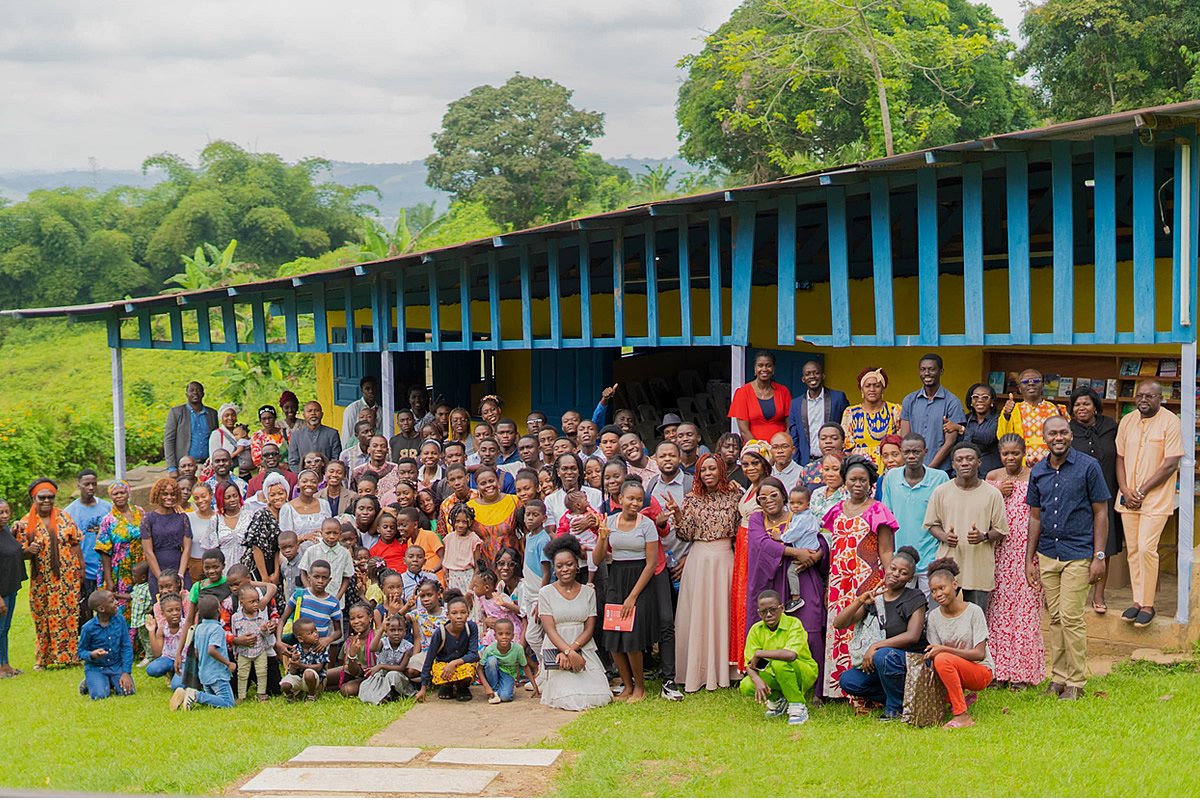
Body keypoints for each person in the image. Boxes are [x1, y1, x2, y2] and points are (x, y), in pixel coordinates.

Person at [1026, 416, 1110, 700]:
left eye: (1063, 432)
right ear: (1044, 437)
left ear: (1071, 436)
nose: (1058, 437)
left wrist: (1099, 556)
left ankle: (1076, 682)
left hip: (1079, 552)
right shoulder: (1038, 471)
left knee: (1072, 617)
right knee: (1057, 618)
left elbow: (1101, 512)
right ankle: (1058, 678)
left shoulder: (1089, 467)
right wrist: (1029, 559)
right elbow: (1034, 519)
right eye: (1052, 433)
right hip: (1048, 553)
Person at [821, 456, 896, 699]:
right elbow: (832, 548)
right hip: (838, 581)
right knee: (839, 626)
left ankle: (861, 687)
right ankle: (837, 688)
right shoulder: (835, 511)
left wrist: (888, 580)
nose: (857, 484)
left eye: (863, 480)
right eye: (853, 479)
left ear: (871, 483)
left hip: (867, 580)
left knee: (861, 629)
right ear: (845, 482)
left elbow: (885, 550)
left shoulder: (878, 510)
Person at [746, 478, 828, 693]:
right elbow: (762, 544)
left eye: (773, 494)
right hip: (771, 582)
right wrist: (796, 552)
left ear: (784, 495)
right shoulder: (757, 519)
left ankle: (817, 689)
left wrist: (815, 555)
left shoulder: (799, 515)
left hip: (801, 579)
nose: (768, 500)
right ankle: (775, 684)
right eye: (762, 497)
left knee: (810, 629)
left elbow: (820, 539)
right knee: (774, 631)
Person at [669, 453, 740, 692]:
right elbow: (685, 534)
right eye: (703, 470)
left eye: (712, 469)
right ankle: (697, 672)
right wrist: (678, 516)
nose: (708, 474)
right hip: (699, 559)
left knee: (722, 612)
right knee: (698, 613)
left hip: (724, 558)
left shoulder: (735, 495)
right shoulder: (692, 498)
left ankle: (726, 671)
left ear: (721, 470)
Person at [1114, 380, 1182, 627]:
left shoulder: (1171, 422)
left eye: (1149, 396)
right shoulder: (1127, 421)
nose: (1143, 400)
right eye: (1140, 396)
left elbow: (1170, 463)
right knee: (1132, 550)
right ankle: (1136, 602)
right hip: (1128, 498)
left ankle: (1148, 604)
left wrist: (1140, 491)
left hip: (1154, 499)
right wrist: (1125, 489)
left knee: (1146, 548)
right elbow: (1119, 458)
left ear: (1160, 398)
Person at [833, 546, 927, 719]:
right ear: (886, 567)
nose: (896, 574)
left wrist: (875, 647)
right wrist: (860, 600)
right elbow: (839, 624)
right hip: (881, 663)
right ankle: (903, 698)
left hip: (908, 660)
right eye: (893, 568)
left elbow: (912, 636)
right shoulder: (874, 598)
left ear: (909, 578)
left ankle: (894, 710)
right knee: (848, 680)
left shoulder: (915, 597)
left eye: (903, 572)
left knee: (884, 655)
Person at [985, 434, 1046, 687]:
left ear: (1024, 452)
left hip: (1025, 550)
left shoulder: (1035, 475)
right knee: (998, 609)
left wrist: (1032, 556)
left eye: (1015, 453)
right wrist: (997, 491)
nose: (1010, 458)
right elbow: (983, 508)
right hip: (999, 551)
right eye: (1005, 454)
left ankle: (1022, 674)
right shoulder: (991, 478)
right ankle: (998, 672)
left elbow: (1038, 515)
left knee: (1026, 610)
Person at [924, 443, 1008, 609]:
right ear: (953, 464)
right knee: (940, 616)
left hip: (979, 568)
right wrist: (944, 536)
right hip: (946, 566)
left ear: (979, 462)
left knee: (976, 621)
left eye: (970, 459)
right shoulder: (941, 491)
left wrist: (983, 536)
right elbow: (932, 524)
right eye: (959, 460)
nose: (964, 463)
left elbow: (1001, 530)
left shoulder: (992, 493)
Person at [598, 479, 661, 703]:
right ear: (620, 499)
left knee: (632, 638)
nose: (634, 503)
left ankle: (640, 688)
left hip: (640, 581)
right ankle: (627, 685)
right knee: (613, 636)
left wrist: (632, 597)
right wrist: (602, 537)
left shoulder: (647, 525)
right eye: (630, 498)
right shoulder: (609, 522)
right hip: (616, 578)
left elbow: (651, 564)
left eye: (638, 499)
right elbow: (598, 560)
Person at [536, 535, 612, 711]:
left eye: (569, 564)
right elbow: (549, 629)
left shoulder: (588, 592)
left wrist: (575, 650)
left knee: (599, 696)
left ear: (577, 565)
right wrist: (568, 652)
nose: (565, 569)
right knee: (567, 698)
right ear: (554, 569)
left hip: (584, 647)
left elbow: (589, 627)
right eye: (559, 566)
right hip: (557, 650)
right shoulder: (545, 592)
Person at [17, 478, 83, 669]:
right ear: (33, 498)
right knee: (42, 617)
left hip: (66, 578)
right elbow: (18, 553)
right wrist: (29, 551)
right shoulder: (24, 523)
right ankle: (43, 660)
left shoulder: (64, 517)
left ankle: (69, 657)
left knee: (68, 616)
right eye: (42, 497)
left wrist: (81, 569)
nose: (47, 501)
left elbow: (75, 543)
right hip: (42, 580)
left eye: (51, 497)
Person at [1066, 386, 1120, 614]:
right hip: (1077, 496)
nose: (1081, 408)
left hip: (1106, 491)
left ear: (1095, 406)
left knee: (1103, 545)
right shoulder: (1067, 430)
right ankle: (1071, 594)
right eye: (1077, 404)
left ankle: (1099, 595)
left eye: (1086, 403)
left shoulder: (1110, 427)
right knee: (1076, 542)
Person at [925, 557, 994, 729]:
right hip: (952, 669)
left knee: (943, 659)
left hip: (980, 670)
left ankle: (962, 716)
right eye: (933, 591)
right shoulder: (933, 617)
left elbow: (979, 654)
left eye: (942, 588)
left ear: (954, 584)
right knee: (940, 660)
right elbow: (935, 653)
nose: (938, 594)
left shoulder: (973, 611)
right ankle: (959, 698)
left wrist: (944, 650)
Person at [879, 433, 948, 600]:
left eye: (916, 452)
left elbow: (946, 518)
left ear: (925, 452)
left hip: (931, 557)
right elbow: (887, 518)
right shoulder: (891, 477)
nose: (911, 456)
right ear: (901, 452)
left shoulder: (940, 478)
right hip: (901, 559)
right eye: (907, 452)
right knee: (902, 609)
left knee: (931, 611)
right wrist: (889, 559)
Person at [739, 589, 818, 724]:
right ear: (759, 613)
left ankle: (797, 705)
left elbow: (791, 655)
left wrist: (760, 653)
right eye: (764, 612)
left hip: (801, 671)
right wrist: (756, 679)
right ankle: (778, 700)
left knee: (779, 663)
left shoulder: (794, 624)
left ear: (781, 608)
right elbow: (750, 664)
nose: (768, 615)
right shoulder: (756, 630)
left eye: (773, 610)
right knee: (746, 685)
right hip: (774, 672)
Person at [731, 439, 771, 673]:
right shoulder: (749, 488)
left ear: (765, 464)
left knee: (753, 598)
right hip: (743, 547)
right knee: (742, 599)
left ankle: (759, 661)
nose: (749, 468)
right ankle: (744, 659)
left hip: (756, 546)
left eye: (755, 462)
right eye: (745, 464)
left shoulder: (766, 488)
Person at [899, 354, 966, 470]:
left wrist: (929, 470)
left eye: (931, 369)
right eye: (922, 369)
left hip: (941, 471)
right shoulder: (909, 400)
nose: (926, 373)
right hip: (912, 469)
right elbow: (905, 437)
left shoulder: (952, 402)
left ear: (941, 371)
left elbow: (949, 443)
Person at [65, 470, 111, 629]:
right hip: (82, 570)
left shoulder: (106, 508)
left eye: (94, 484)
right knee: (84, 613)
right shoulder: (70, 512)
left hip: (104, 569)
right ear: (79, 485)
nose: (91, 487)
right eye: (86, 484)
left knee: (106, 610)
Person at [415, 589, 480, 702]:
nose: (459, 616)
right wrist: (423, 688)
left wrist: (454, 663)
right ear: (448, 615)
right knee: (440, 671)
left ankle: (462, 687)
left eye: (463, 612)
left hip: (461, 663)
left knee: (469, 668)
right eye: (454, 613)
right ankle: (447, 686)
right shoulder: (440, 633)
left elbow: (474, 654)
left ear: (468, 613)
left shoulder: (471, 627)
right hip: (443, 664)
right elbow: (429, 659)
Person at [95, 480, 145, 623]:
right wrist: (109, 580)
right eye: (115, 494)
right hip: (119, 570)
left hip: (140, 567)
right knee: (122, 607)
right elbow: (104, 551)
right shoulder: (108, 520)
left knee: (140, 604)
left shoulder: (140, 512)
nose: (119, 496)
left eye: (122, 492)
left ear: (128, 493)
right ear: (111, 497)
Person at [787, 360, 850, 467]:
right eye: (808, 374)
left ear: (823, 376)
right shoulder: (796, 404)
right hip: (807, 462)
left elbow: (847, 428)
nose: (812, 376)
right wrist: (796, 463)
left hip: (835, 461)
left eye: (816, 373)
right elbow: (794, 436)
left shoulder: (838, 398)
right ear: (803, 379)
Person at [997, 369, 1066, 465]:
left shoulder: (1055, 409)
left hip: (1051, 465)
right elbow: (1002, 438)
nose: (1031, 384)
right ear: (1020, 388)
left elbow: (1066, 438)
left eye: (1036, 381)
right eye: (1025, 381)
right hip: (1022, 466)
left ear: (1042, 385)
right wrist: (1007, 416)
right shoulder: (1012, 409)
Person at [841, 367, 902, 472]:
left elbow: (901, 442)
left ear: (883, 388)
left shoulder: (895, 410)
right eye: (867, 386)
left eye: (877, 386)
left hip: (889, 466)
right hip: (859, 467)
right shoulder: (851, 412)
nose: (872, 390)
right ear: (862, 389)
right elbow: (846, 448)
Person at [78, 589, 134, 700]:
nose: (117, 602)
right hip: (97, 668)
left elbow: (126, 646)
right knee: (100, 695)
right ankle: (90, 682)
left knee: (128, 692)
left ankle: (111, 681)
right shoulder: (88, 628)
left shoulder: (120, 620)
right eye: (112, 601)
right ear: (101, 609)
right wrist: (92, 654)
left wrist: (126, 672)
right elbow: (80, 652)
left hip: (116, 666)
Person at [140, 478, 191, 597]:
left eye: (173, 494)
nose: (169, 497)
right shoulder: (148, 519)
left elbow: (187, 548)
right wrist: (161, 579)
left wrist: (180, 575)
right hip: (157, 569)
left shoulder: (182, 517)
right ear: (158, 495)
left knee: (185, 606)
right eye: (165, 494)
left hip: (179, 568)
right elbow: (148, 551)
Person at [729, 351, 793, 442]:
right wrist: (760, 449)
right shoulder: (742, 393)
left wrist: (781, 445)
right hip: (753, 449)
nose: (764, 369)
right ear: (755, 369)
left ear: (773, 369)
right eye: (760, 365)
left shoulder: (783, 391)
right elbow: (744, 431)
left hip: (780, 449)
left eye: (768, 365)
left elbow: (790, 424)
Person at [780, 485, 822, 613]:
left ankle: (796, 598)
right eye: (792, 503)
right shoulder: (802, 516)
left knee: (791, 572)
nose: (795, 506)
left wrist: (781, 537)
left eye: (799, 503)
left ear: (808, 504)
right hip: (809, 548)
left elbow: (794, 534)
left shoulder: (803, 518)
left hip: (808, 551)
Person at [164, 381, 218, 478]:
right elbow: (169, 440)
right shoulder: (176, 413)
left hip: (207, 466)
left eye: (198, 390)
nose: (195, 393)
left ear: (203, 394)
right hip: (185, 467)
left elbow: (216, 439)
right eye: (191, 390)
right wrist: (172, 467)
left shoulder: (212, 414)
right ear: (186, 394)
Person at [230, 584, 275, 702]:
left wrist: (265, 630)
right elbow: (234, 635)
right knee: (242, 674)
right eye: (252, 602)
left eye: (257, 601)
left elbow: (266, 635)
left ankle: (261, 693)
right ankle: (241, 696)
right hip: (243, 651)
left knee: (262, 672)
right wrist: (235, 651)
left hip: (260, 650)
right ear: (242, 602)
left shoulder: (261, 617)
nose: (256, 604)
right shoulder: (236, 618)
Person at [359, 613, 416, 704]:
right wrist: (381, 629)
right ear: (387, 631)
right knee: (366, 687)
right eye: (392, 630)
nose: (396, 633)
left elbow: (401, 668)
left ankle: (394, 693)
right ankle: (386, 696)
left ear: (405, 631)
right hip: (382, 676)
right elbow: (372, 648)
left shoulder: (407, 647)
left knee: (392, 675)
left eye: (400, 630)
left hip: (398, 677)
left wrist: (381, 666)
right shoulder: (383, 642)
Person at [467, 467, 521, 564]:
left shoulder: (514, 501)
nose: (488, 485)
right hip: (485, 568)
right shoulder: (470, 508)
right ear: (477, 487)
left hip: (512, 565)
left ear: (498, 482)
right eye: (483, 483)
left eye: (491, 481)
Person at [242, 474, 287, 584]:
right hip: (258, 565)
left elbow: (277, 548)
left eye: (280, 493)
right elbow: (256, 548)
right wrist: (264, 577)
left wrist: (276, 573)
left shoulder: (286, 514)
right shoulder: (261, 515)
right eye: (272, 495)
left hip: (275, 563)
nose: (277, 498)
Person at [480, 618, 537, 703]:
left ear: (513, 636)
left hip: (508, 673)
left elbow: (525, 666)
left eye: (508, 634)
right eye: (500, 634)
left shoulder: (518, 649)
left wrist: (535, 687)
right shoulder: (490, 649)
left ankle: (503, 689)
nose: (504, 637)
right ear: (495, 636)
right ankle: (494, 690)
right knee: (491, 661)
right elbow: (479, 669)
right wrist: (486, 687)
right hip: (493, 672)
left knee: (505, 697)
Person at [0, 499, 26, 677]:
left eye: (7, 512)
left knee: (5, 628)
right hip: (1, 593)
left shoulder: (6, 532)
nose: (4, 516)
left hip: (10, 587)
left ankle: (5, 664)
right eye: (0, 513)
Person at [952, 383, 1002, 475]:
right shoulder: (965, 419)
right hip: (966, 471)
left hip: (989, 471)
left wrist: (962, 429)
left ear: (992, 402)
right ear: (971, 401)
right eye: (975, 397)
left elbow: (987, 438)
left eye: (985, 397)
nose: (980, 400)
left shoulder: (998, 419)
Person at [279, 616, 330, 702]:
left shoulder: (319, 648)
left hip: (314, 680)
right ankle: (290, 696)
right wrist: (294, 663)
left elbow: (319, 667)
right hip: (298, 678)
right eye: (310, 633)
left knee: (309, 673)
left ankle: (311, 695)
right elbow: (292, 672)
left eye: (315, 631)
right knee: (284, 685)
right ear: (300, 639)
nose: (315, 634)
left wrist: (300, 665)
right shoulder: (295, 649)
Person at [288, 401, 341, 473]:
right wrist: (304, 476)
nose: (313, 413)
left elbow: (336, 458)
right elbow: (293, 462)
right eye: (309, 411)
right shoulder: (296, 436)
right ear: (304, 415)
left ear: (322, 414)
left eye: (316, 410)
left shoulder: (332, 434)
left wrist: (326, 475)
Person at [797, 423, 846, 492]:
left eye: (834, 438)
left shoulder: (850, 466)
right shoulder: (808, 470)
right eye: (823, 439)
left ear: (843, 442)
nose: (828, 441)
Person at [184, 483, 218, 582]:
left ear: (211, 495)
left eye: (204, 496)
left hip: (217, 567)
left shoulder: (219, 517)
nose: (200, 501)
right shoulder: (188, 518)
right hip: (195, 568)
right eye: (196, 498)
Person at [341, 376, 383, 446]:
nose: (371, 391)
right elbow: (347, 433)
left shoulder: (381, 411)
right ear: (362, 390)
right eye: (367, 389)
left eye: (373, 388)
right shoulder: (352, 409)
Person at [809, 453, 848, 520]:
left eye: (835, 469)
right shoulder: (817, 493)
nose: (830, 474)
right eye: (826, 469)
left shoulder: (848, 496)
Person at [206, 403, 243, 472]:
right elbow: (213, 457)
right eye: (226, 416)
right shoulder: (216, 434)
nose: (230, 418)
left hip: (243, 471)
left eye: (233, 415)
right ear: (221, 419)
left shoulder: (241, 432)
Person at [251, 404, 288, 469]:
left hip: (287, 470)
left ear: (275, 418)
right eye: (264, 419)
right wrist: (279, 465)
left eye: (270, 418)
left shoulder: (285, 433)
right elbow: (257, 460)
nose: (267, 421)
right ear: (260, 420)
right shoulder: (257, 436)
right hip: (266, 471)